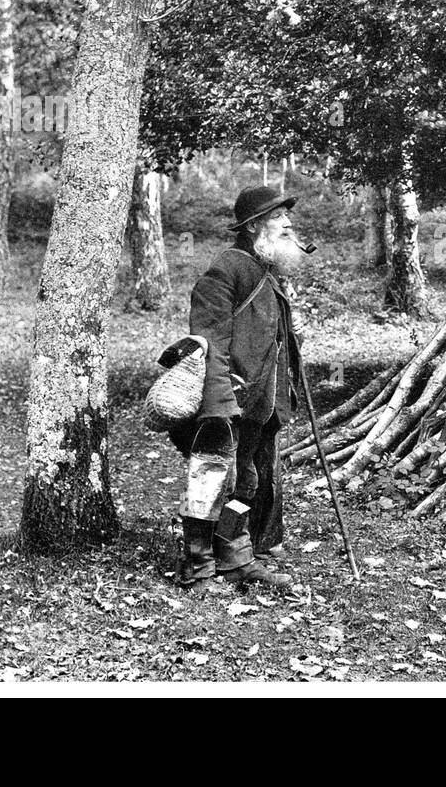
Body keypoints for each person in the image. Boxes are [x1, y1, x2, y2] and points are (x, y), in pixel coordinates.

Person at [168, 185, 307, 591]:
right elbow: (206, 342)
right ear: (252, 228)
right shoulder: (225, 270)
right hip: (225, 400)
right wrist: (220, 401)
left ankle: (236, 558)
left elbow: (273, 343)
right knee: (210, 479)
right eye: (279, 220)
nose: (288, 225)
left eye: (287, 219)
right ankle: (197, 567)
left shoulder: (267, 272)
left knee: (246, 483)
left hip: (259, 402)